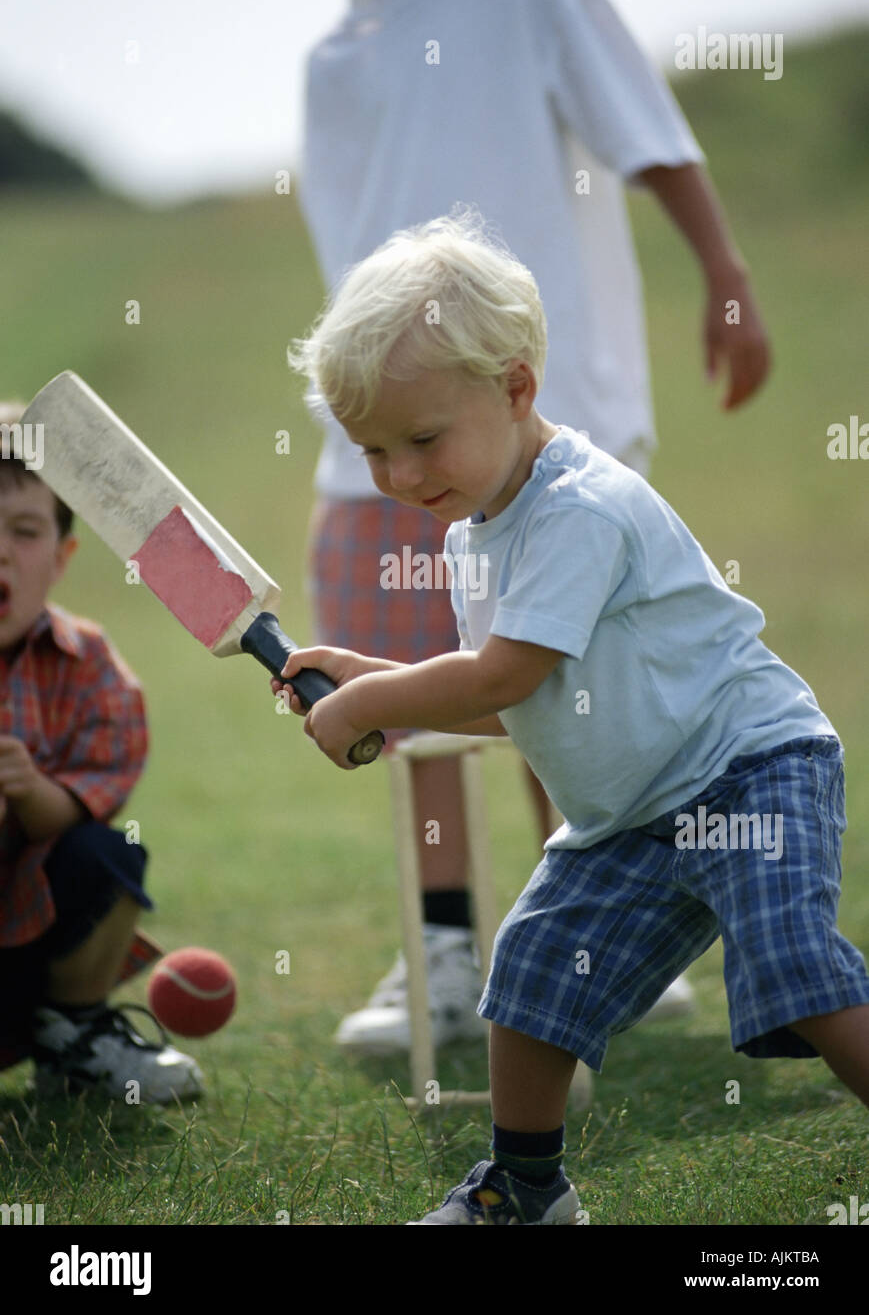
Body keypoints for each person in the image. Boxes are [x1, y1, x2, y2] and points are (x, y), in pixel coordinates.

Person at [280, 217, 869, 1223]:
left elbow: (501, 675)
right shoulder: (477, 528)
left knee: (786, 959)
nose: (400, 476)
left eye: (421, 439)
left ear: (516, 388)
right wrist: (368, 671)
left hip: (745, 768)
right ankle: (525, 1188)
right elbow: (526, 698)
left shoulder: (576, 509)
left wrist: (380, 697)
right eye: (372, 449)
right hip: (630, 812)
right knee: (531, 973)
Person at [298, 0, 770, 1052]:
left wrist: (725, 273)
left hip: (528, 419)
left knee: (562, 682)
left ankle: (608, 937)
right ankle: (445, 948)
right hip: (389, 428)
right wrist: (373, 427)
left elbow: (644, 131)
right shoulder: (327, 54)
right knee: (424, 702)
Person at [0, 404, 202, 1103]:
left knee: (108, 854)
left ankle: (74, 1032)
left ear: (61, 556)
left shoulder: (88, 666)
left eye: (23, 533)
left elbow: (82, 806)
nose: (1, 552)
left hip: (27, 949)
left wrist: (27, 790)